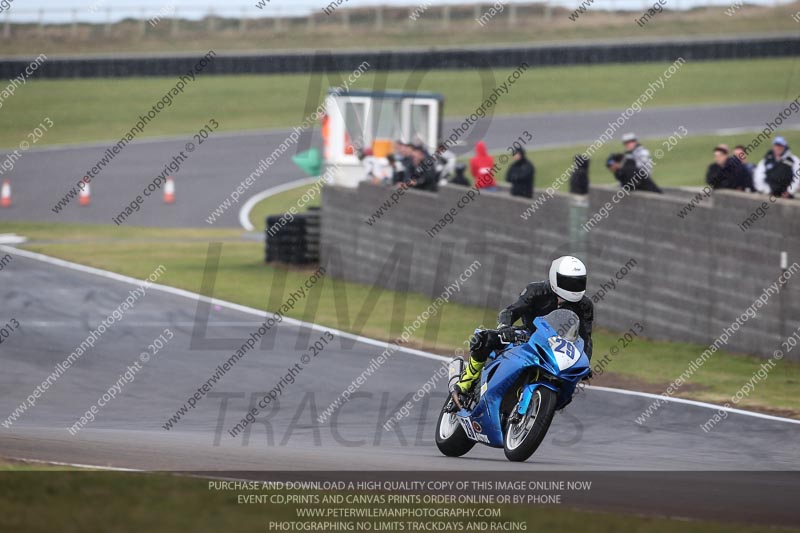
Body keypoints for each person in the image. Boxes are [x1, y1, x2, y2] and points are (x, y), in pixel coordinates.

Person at [453, 256, 594, 395]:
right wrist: (504, 328)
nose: (573, 288)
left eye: (578, 283)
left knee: (570, 379)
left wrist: (585, 362)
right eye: (568, 282)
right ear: (554, 277)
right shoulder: (536, 290)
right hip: (528, 334)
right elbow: (510, 311)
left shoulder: (585, 305)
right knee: (483, 339)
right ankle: (467, 380)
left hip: (558, 347)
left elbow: (585, 338)